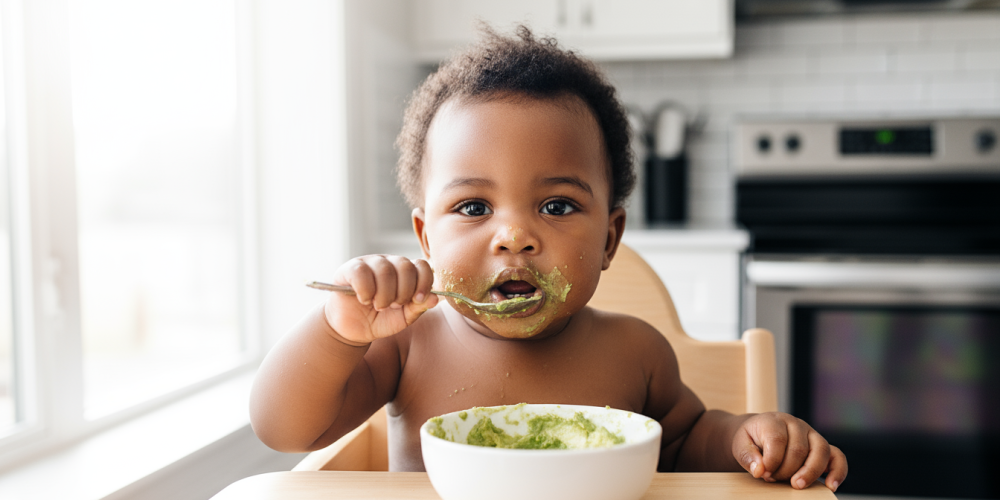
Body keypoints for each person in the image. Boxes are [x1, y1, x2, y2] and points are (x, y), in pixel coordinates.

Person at [249, 26, 847, 491]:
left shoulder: (636, 352)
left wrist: (746, 435)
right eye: (474, 207)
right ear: (426, 238)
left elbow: (688, 439)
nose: (514, 235)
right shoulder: (407, 347)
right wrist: (338, 333)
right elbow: (283, 429)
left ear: (610, 239)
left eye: (557, 206)